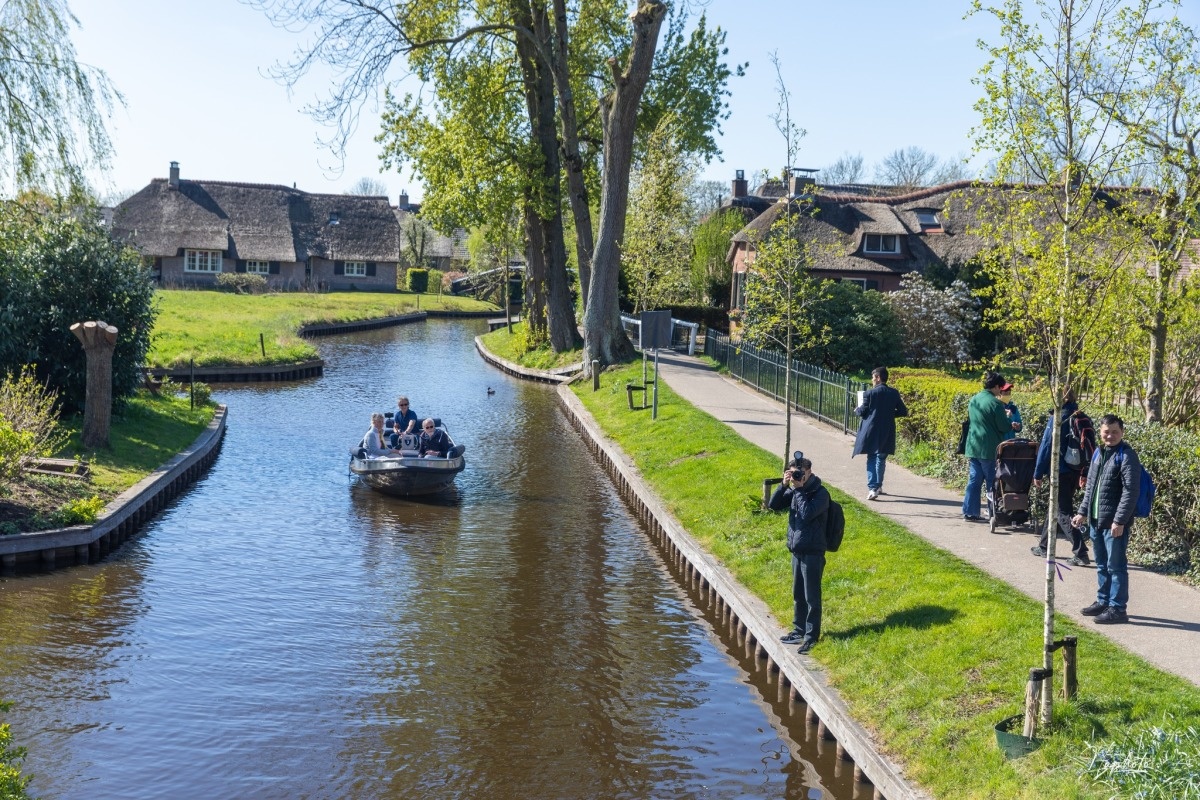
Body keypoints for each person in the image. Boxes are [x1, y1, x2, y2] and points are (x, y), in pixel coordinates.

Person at [1072, 414, 1141, 625]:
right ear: (1100, 432)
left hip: (1114, 524)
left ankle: (1118, 609)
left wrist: (1120, 521)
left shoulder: (1127, 456)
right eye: (1106, 432)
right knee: (1102, 564)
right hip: (1096, 520)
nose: (1110, 436)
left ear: (1122, 432)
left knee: (1116, 566)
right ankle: (1103, 601)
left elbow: (1131, 492)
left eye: (1114, 432)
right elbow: (1091, 487)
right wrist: (1083, 512)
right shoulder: (1098, 453)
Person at [768, 453, 830, 655]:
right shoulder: (795, 490)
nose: (797, 475)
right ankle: (799, 630)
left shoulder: (820, 493)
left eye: (800, 472)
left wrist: (800, 490)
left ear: (810, 472)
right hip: (796, 551)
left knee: (812, 597)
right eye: (794, 472)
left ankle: (811, 637)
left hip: (813, 552)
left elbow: (807, 513)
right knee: (798, 594)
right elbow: (774, 505)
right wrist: (784, 485)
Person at [1031, 390, 1089, 565]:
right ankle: (1044, 545)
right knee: (1055, 506)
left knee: (1063, 512)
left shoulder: (1058, 417)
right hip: (1074, 469)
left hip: (1060, 472)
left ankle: (1080, 552)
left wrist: (1038, 473)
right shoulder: (1079, 415)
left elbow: (1046, 446)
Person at [851, 366, 908, 501]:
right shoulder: (893, 393)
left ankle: (873, 488)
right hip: (887, 430)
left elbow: (862, 412)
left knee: (872, 458)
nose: (872, 380)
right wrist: (889, 414)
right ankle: (878, 486)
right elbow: (903, 411)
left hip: (872, 430)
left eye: (873, 377)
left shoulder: (869, 394)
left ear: (878, 378)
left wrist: (856, 410)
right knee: (881, 458)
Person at [962, 371, 1013, 522]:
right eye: (1000, 388)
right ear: (996, 386)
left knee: (974, 480)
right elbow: (1003, 427)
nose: (1001, 391)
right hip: (989, 448)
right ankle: (993, 513)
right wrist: (1009, 419)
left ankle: (970, 512)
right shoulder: (996, 403)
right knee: (992, 483)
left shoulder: (974, 399)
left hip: (973, 446)